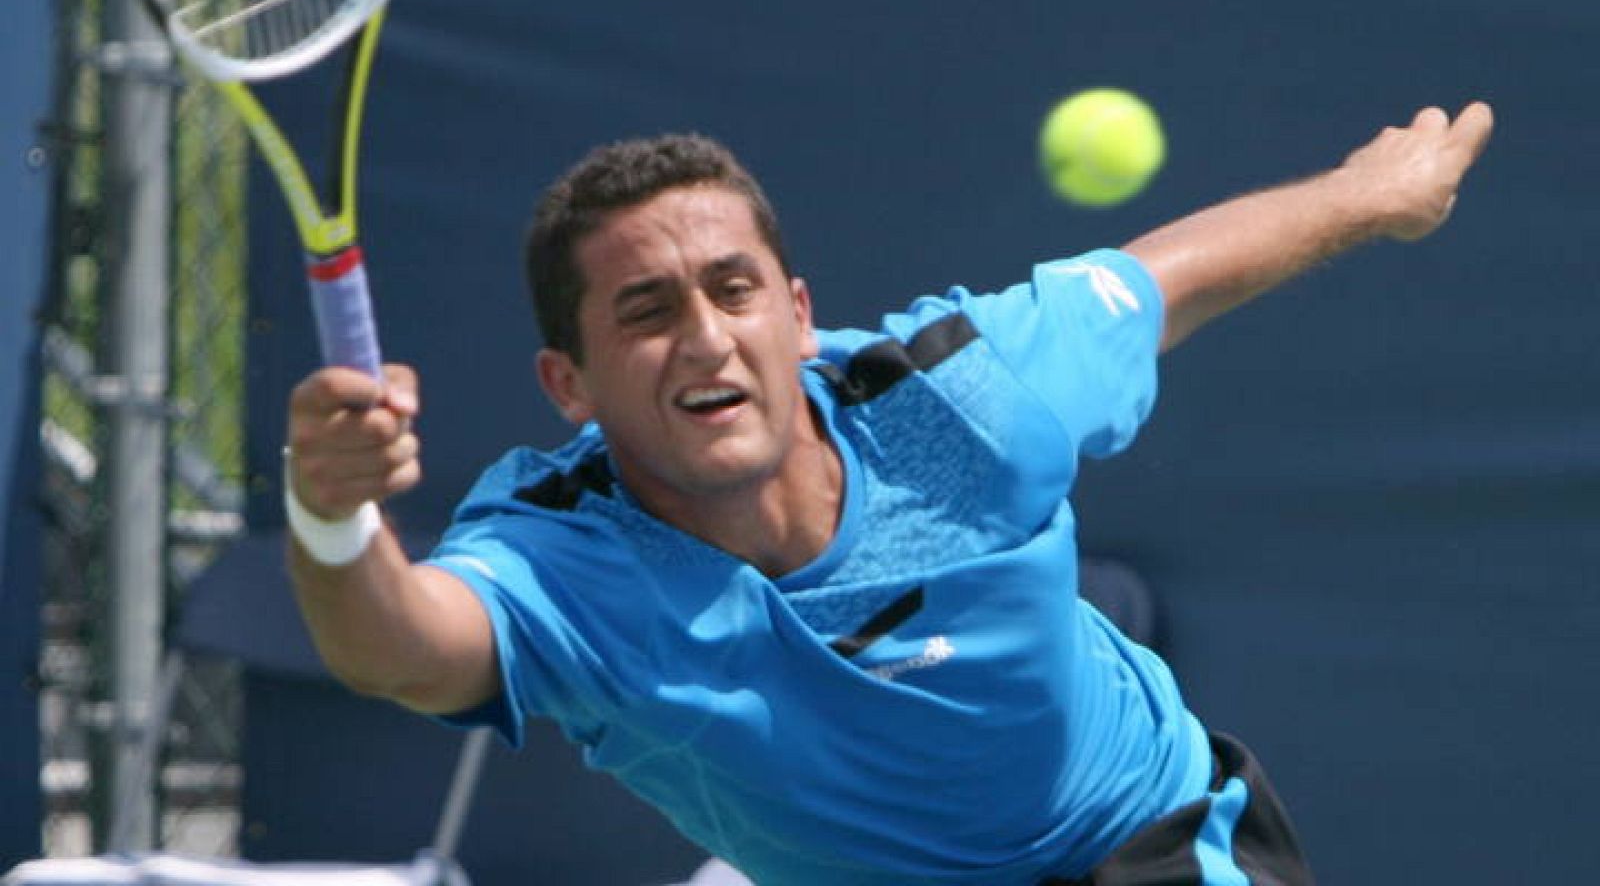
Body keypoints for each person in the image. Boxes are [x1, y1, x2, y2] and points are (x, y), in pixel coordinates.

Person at [283, 102, 1494, 885]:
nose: (705, 338)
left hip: (1146, 846)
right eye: (647, 312)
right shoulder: (560, 554)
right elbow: (401, 646)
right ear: (568, 383)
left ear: (798, 316)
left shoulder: (954, 397)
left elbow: (1164, 276)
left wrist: (1371, 197)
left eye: (733, 289)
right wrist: (332, 514)